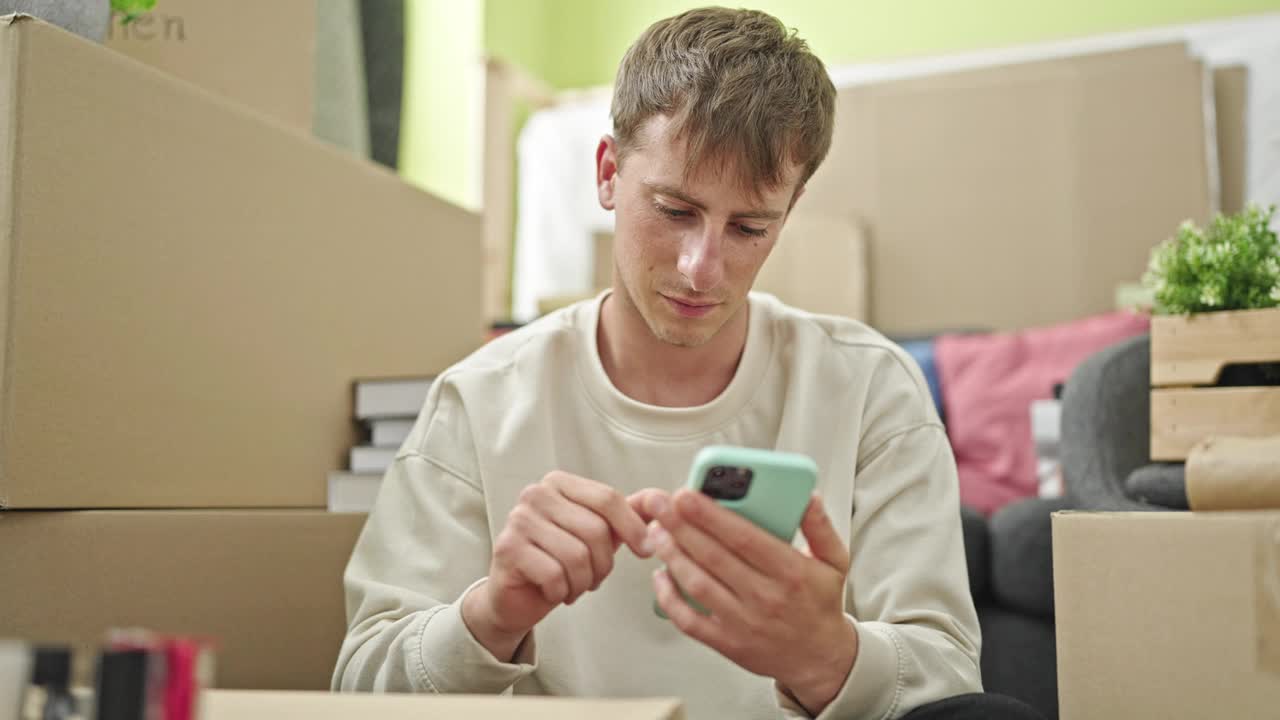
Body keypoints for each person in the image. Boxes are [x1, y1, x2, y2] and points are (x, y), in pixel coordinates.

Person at [333, 7, 1043, 720]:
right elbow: (355, 688)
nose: (702, 269)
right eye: (674, 210)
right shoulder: (482, 398)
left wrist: (826, 657)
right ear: (609, 173)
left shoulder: (870, 388)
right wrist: (491, 616)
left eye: (749, 227)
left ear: (789, 212)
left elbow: (949, 678)